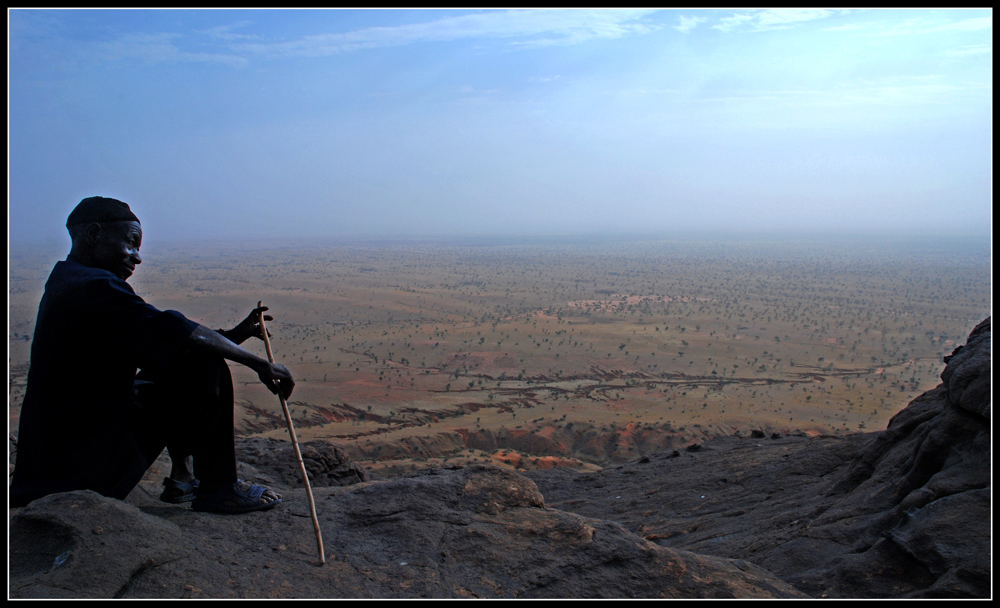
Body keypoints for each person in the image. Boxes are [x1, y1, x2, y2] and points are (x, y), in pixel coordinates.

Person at [10, 196, 294, 514]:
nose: (138, 257)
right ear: (93, 235)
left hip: (63, 467)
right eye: (131, 243)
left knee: (171, 365)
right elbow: (181, 335)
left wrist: (237, 335)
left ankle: (182, 480)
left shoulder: (69, 280)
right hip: (83, 476)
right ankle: (219, 489)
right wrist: (259, 363)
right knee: (203, 364)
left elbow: (162, 341)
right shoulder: (93, 288)